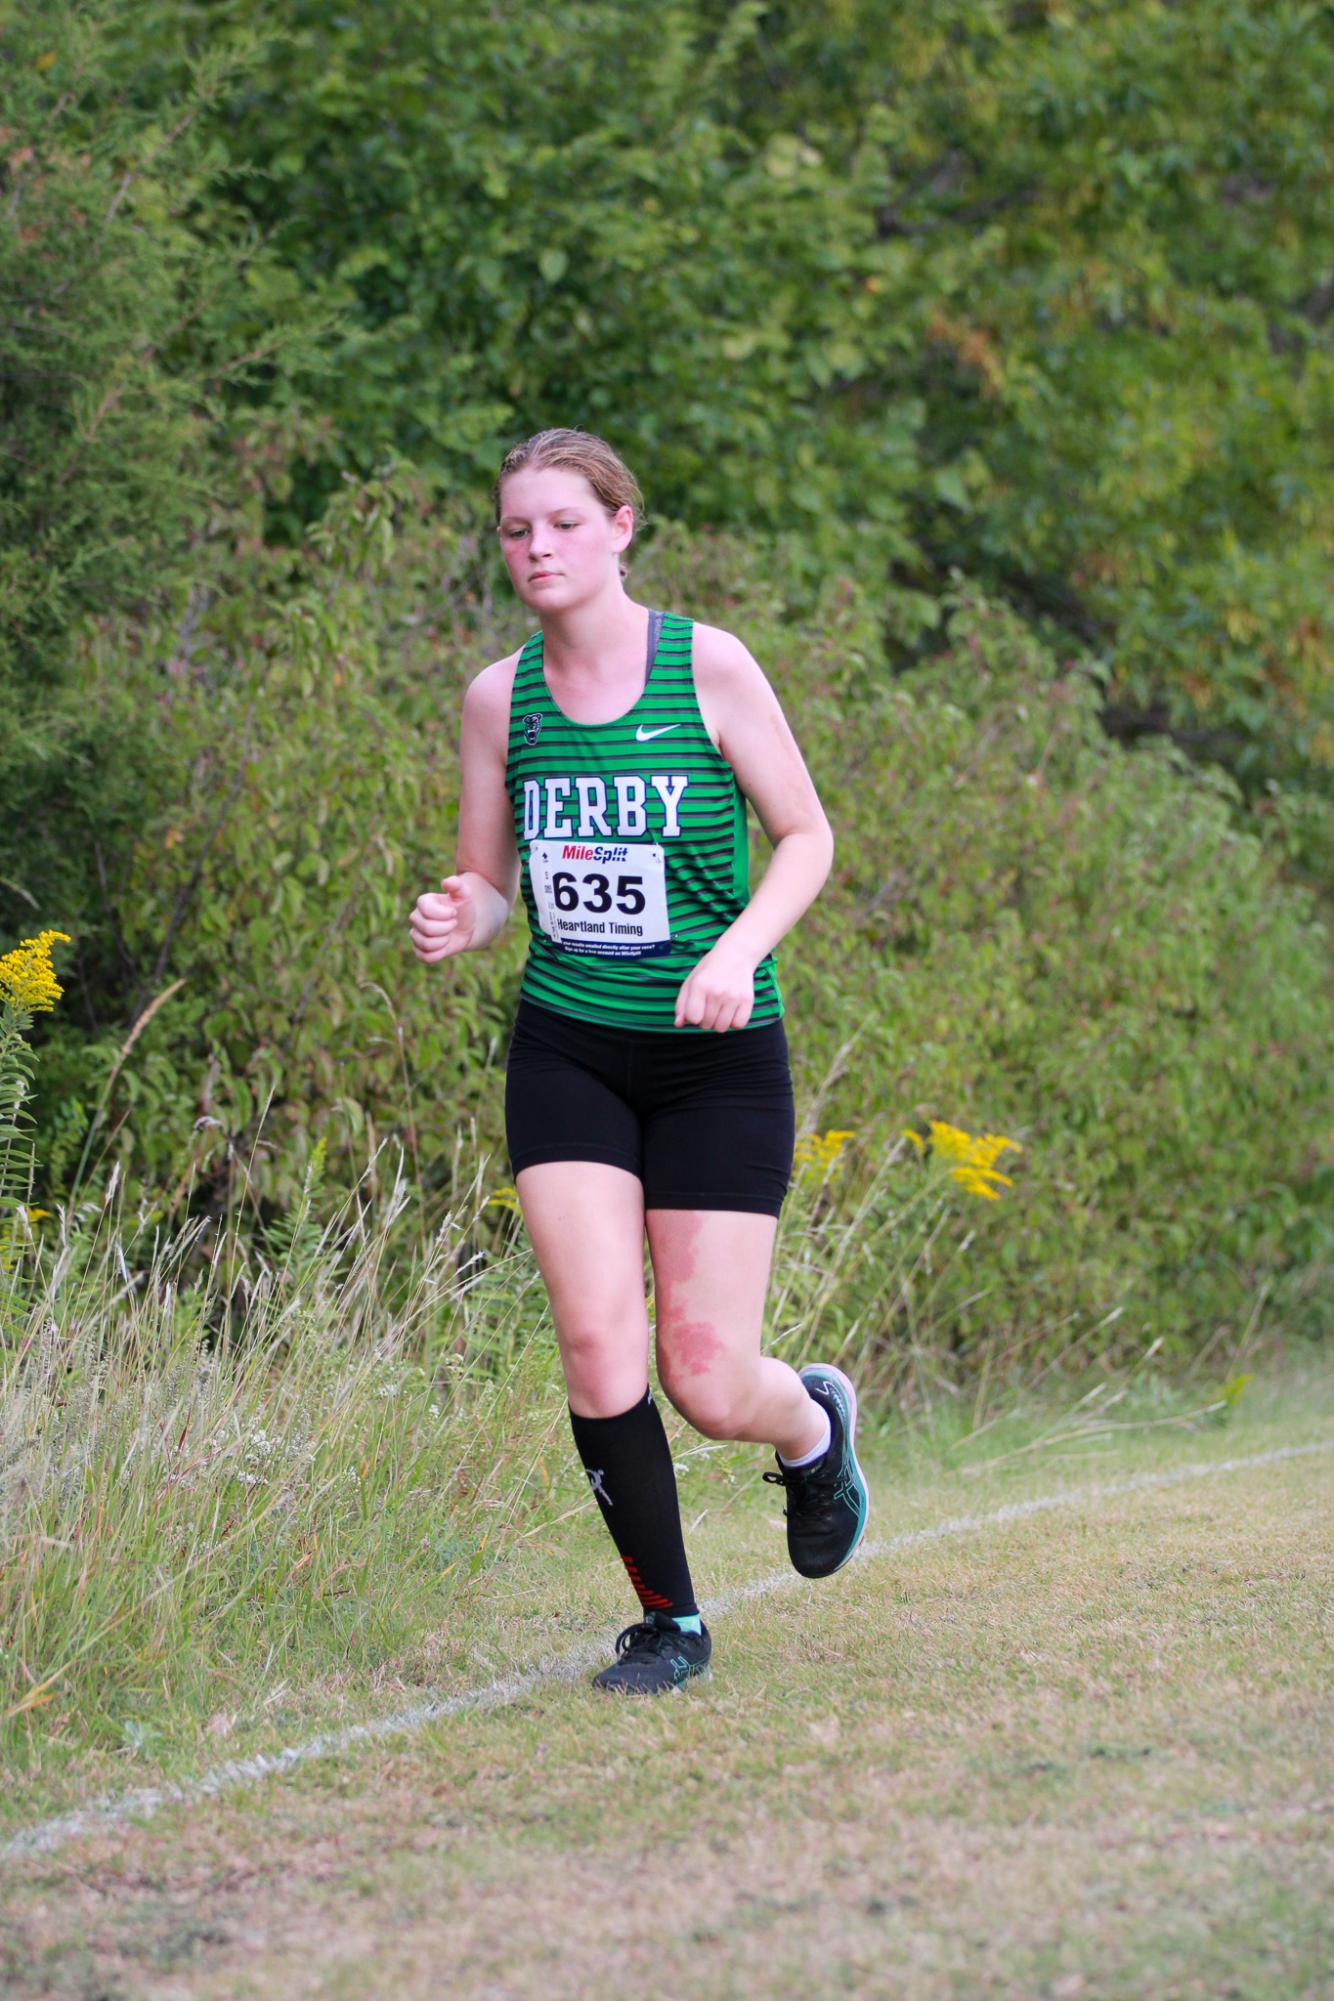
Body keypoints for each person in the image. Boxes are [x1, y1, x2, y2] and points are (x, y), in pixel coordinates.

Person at [408, 428, 869, 1695]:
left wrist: (734, 951)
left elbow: (806, 837)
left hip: (714, 1056)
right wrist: (465, 917)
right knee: (600, 1351)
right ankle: (668, 1622)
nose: (536, 547)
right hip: (567, 1048)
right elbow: (494, 885)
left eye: (562, 522)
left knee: (710, 1382)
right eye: (514, 529)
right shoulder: (497, 700)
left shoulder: (706, 668)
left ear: (619, 528)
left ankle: (813, 1428)